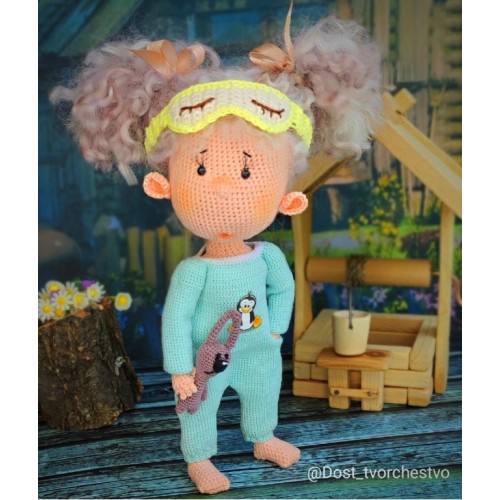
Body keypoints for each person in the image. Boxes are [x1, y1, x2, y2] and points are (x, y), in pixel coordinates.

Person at [51, 4, 381, 494]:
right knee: (198, 406)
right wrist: (179, 369)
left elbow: (283, 288)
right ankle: (200, 457)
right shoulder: (194, 271)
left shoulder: (268, 257)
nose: (225, 188)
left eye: (248, 172)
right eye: (201, 170)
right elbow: (176, 318)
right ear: (163, 187)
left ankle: (262, 437)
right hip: (204, 358)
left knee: (264, 393)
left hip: (259, 349)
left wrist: (277, 329)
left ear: (288, 199)